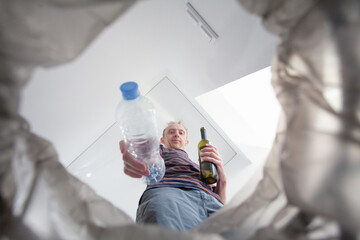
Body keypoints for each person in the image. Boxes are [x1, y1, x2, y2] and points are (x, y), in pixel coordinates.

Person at [119, 121, 227, 231]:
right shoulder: (159, 152)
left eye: (181, 133)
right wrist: (130, 148)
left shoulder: (198, 166)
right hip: (170, 196)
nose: (176, 135)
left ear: (186, 141)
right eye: (171, 132)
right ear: (162, 140)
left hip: (210, 202)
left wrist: (222, 176)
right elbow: (138, 146)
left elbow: (221, 201)